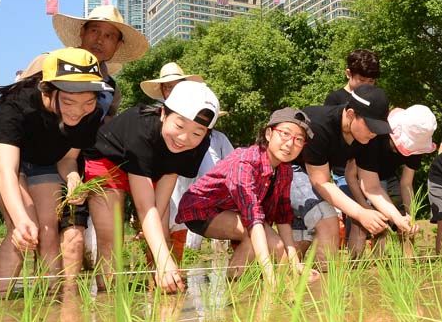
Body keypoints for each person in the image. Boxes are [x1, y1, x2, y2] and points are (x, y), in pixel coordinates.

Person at [0, 49, 109, 293]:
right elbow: (7, 169)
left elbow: (68, 159)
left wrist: (73, 178)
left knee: (48, 228)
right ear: (46, 90)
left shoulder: (91, 114)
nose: (78, 111)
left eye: (88, 101)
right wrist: (20, 218)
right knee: (23, 226)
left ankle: (53, 301)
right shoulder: (16, 104)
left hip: (43, 153)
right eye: (69, 102)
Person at [84, 80, 220, 292]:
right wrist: (161, 254)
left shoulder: (196, 145)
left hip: (155, 169)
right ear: (163, 113)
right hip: (108, 162)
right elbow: (145, 206)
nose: (184, 138)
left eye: (197, 132)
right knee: (111, 237)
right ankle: (109, 296)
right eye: (179, 126)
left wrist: (150, 232)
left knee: (161, 233)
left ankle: (162, 290)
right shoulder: (141, 129)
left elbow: (159, 202)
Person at [176, 108, 317, 283]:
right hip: (201, 209)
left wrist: (295, 265)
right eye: (285, 134)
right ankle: (241, 288)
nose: (290, 144)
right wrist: (270, 276)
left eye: (299, 139)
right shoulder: (246, 162)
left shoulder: (285, 170)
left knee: (278, 248)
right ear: (268, 133)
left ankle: (243, 290)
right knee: (262, 240)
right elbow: (253, 217)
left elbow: (283, 217)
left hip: (235, 212)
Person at [289, 84, 391, 263]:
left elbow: (372, 186)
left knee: (300, 241)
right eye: (370, 126)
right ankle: (324, 278)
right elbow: (321, 182)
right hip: (289, 170)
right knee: (327, 221)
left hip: (314, 175)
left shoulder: (367, 137)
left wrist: (399, 220)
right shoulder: (319, 124)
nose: (374, 133)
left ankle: (289, 276)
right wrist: (360, 213)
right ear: (351, 114)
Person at [139, 63, 233, 252]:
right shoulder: (152, 124)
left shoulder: (216, 139)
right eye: (168, 87)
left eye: (198, 131)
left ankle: (179, 263)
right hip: (159, 186)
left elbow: (231, 166)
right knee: (160, 228)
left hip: (195, 192)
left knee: (181, 231)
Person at [348, 105, 437, 255]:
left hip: (389, 177)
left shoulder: (417, 148)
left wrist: (410, 216)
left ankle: (406, 262)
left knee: (404, 222)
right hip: (363, 179)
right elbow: (351, 176)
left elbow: (406, 183)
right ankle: (357, 264)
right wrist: (364, 208)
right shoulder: (373, 134)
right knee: (371, 222)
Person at [324, 49, 381, 249]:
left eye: (371, 82)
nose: (367, 86)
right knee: (356, 216)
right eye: (362, 80)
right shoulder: (335, 99)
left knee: (375, 214)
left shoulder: (375, 100)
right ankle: (353, 260)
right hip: (341, 171)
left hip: (366, 170)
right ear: (348, 73)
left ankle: (370, 262)